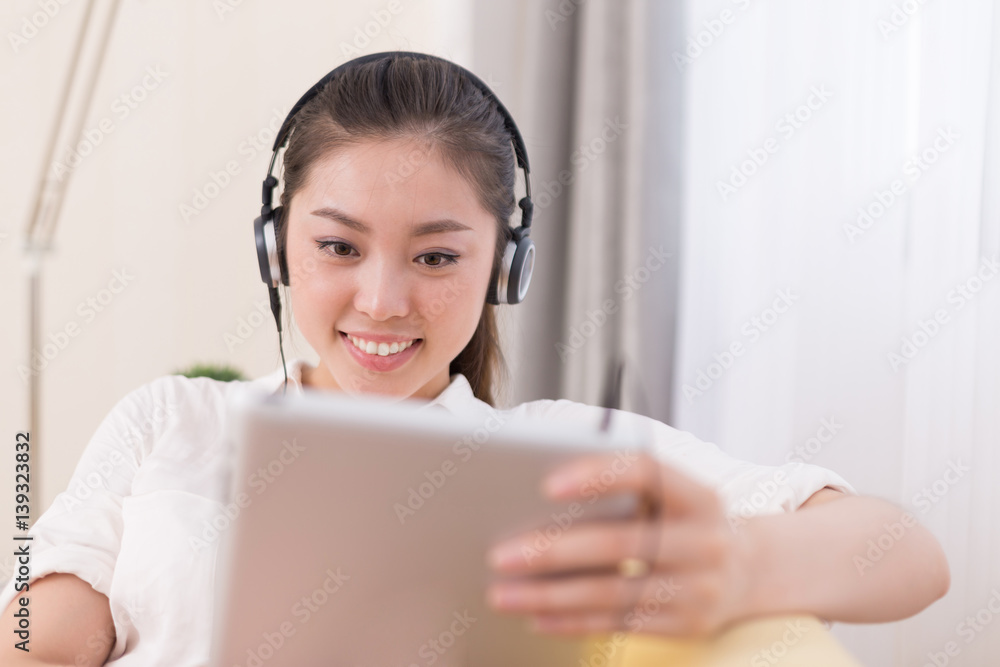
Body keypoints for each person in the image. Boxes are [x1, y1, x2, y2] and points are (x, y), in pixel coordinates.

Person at [1, 52, 949, 666]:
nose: (382, 300)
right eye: (338, 247)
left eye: (437, 256)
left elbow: (906, 554)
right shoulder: (174, 420)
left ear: (506, 264)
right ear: (276, 245)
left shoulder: (564, 451)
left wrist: (733, 568)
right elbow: (48, 633)